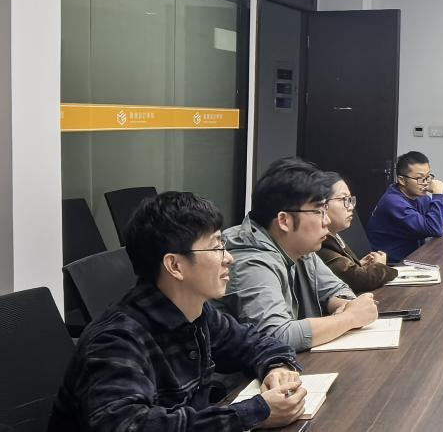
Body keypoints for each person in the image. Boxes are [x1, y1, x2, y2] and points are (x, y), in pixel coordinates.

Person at [49, 192, 308, 431]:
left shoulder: (197, 312)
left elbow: (255, 343)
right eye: (216, 247)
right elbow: (129, 426)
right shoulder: (115, 341)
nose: (229, 258)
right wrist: (253, 414)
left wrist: (277, 368)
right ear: (174, 266)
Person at [217, 157, 378, 352]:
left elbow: (335, 289)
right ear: (284, 221)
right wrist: (349, 318)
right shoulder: (250, 260)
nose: (327, 221)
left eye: (325, 210)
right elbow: (276, 336)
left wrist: (346, 307)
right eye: (318, 212)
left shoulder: (299, 246)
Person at [368, 151, 443, 263]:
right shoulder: (393, 202)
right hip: (394, 264)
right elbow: (434, 229)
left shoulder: (419, 196)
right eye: (420, 178)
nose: (426, 183)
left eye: (428, 177)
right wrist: (437, 194)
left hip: (416, 256)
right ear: (401, 180)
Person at [317, 172, 398, 293]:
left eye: (350, 200)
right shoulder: (319, 241)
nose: (350, 207)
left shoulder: (334, 235)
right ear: (321, 205)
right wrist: (379, 266)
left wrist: (358, 265)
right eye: (343, 199)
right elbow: (357, 281)